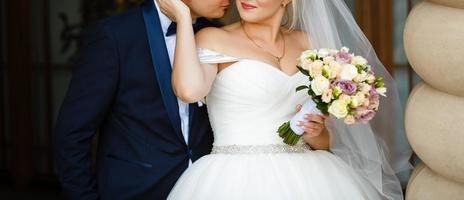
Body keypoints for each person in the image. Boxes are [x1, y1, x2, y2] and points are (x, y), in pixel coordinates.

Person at [163, 0, 412, 199]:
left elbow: (325, 141)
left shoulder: (310, 43)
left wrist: (314, 131)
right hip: (236, 176)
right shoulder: (213, 38)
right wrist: (184, 17)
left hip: (313, 177)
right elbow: (188, 91)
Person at [54, 0, 230, 199]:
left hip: (204, 188)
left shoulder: (216, 36)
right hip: (136, 190)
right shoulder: (115, 35)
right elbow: (72, 134)